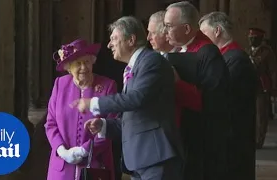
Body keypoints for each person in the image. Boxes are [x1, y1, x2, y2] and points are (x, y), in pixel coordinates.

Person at [73, 16, 183, 180]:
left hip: (155, 156)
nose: (110, 44)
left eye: (114, 39)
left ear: (131, 40)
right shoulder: (134, 67)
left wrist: (94, 103)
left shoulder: (151, 61)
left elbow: (137, 98)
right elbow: (134, 114)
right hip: (140, 160)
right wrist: (104, 125)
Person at [164, 2, 231, 180]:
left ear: (186, 28)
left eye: (169, 26)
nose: (165, 31)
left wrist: (177, 83)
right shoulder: (180, 49)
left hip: (201, 138)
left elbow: (213, 100)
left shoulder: (208, 53)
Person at [44, 39, 117, 180]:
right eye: (78, 63)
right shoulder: (60, 84)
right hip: (62, 168)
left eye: (87, 62)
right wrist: (61, 150)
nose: (84, 67)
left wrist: (85, 150)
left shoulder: (108, 86)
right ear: (69, 67)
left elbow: (111, 125)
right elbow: (50, 123)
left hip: (95, 166)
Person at [199, 12, 258, 180]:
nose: (201, 38)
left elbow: (223, 95)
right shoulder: (225, 56)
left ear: (217, 31)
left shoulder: (236, 58)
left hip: (235, 138)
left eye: (204, 32)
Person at [147, 10, 202, 127]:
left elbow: (198, 100)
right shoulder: (150, 59)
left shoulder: (187, 58)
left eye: (152, 33)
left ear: (166, 34)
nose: (148, 38)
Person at [247, 27, 277, 149]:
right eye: (250, 38)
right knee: (250, 114)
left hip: (262, 87)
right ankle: (250, 138)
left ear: (260, 39)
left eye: (254, 38)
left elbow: (273, 71)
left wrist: (274, 88)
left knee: (260, 115)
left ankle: (259, 140)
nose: (251, 40)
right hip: (249, 87)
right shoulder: (248, 51)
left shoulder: (267, 52)